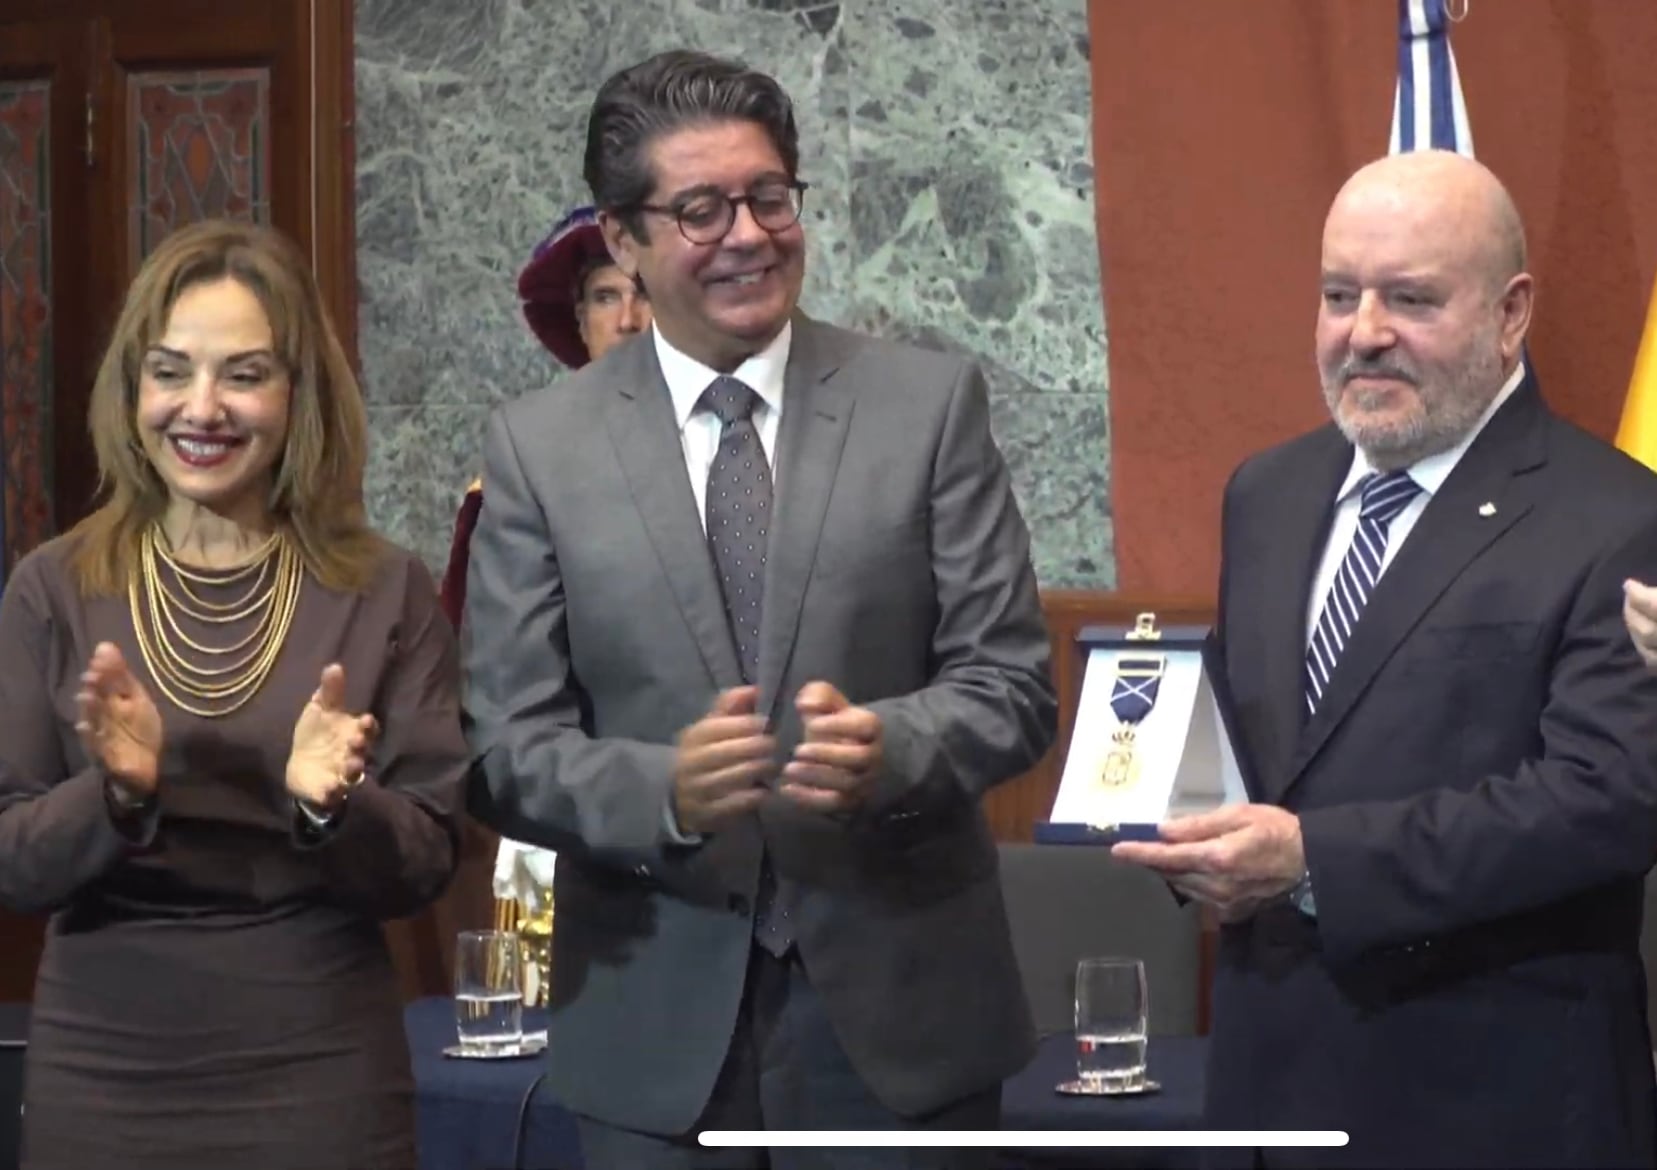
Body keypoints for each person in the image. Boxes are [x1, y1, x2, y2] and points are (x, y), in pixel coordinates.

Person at [463, 48, 1056, 1170]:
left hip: (904, 1020)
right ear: (623, 241)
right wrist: (662, 789)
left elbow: (1014, 689)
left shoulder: (925, 407)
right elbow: (503, 748)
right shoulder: (541, 449)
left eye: (768, 197)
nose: (747, 234)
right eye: (699, 210)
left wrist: (896, 745)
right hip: (653, 1029)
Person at [1111, 149, 1657, 1169]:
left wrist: (1314, 861)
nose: (1363, 333)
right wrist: (1186, 838)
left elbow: (1603, 805)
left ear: (1510, 314)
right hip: (1268, 1086)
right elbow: (1255, 753)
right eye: (1337, 295)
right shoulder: (1265, 494)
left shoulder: (1619, 518)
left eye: (1410, 298)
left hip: (1495, 1106)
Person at [0, 219, 467, 1170]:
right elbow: (12, 864)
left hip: (318, 1067)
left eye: (243, 374)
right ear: (134, 387)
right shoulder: (52, 589)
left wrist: (334, 807)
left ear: (299, 395)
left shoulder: (383, 588)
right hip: (105, 1071)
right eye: (170, 371)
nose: (200, 408)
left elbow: (424, 863)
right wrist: (117, 793)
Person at [437, 204, 651, 626]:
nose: (628, 320)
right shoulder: (523, 473)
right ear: (581, 321)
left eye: (646, 293)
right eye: (605, 297)